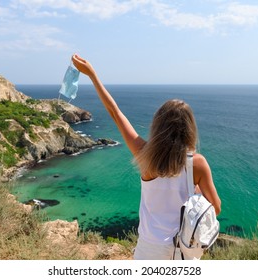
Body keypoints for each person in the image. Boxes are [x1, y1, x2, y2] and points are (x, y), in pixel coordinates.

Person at [72, 54, 221, 260]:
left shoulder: (145, 155)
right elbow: (216, 208)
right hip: (181, 251)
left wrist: (93, 76)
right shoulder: (198, 163)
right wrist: (194, 190)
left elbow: (115, 113)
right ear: (189, 129)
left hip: (147, 249)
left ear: (158, 125)